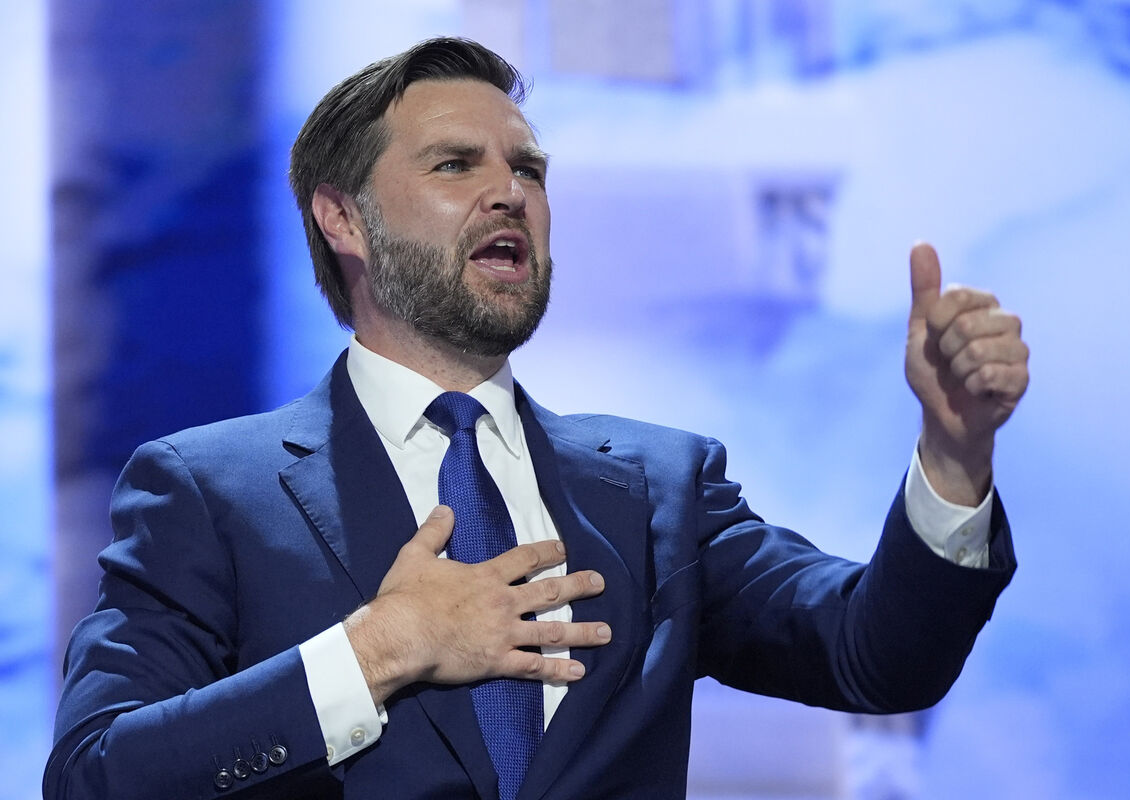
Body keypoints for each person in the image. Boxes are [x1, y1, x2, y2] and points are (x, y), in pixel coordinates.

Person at [46, 37, 1028, 800]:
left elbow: (875, 656)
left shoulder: (658, 489)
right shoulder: (207, 489)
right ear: (340, 217)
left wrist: (952, 456)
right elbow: (95, 774)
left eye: (528, 167)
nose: (509, 191)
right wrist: (378, 650)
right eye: (454, 164)